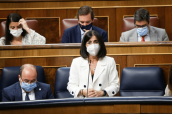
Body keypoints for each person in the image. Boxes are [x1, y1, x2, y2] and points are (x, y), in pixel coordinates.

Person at [67, 30, 119, 98]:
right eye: (89, 42)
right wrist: (83, 92)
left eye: (96, 42)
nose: (93, 45)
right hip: (82, 102)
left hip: (103, 101)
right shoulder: (76, 62)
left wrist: (102, 92)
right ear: (85, 45)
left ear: (100, 44)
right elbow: (71, 86)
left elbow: (115, 85)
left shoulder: (110, 61)